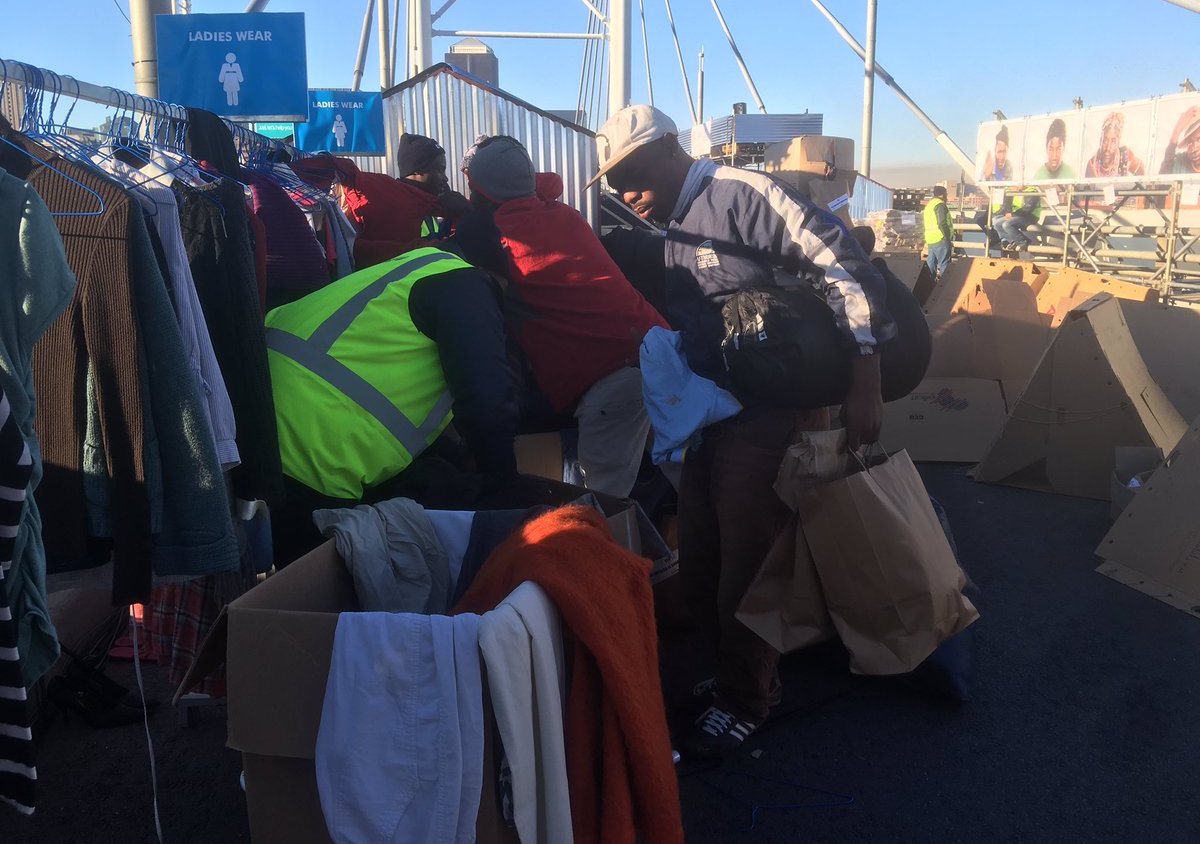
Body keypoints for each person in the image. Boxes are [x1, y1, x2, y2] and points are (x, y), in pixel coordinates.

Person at [591, 105, 895, 758]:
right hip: (715, 416)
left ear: (671, 149)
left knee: (749, 565)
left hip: (774, 412)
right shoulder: (670, 222)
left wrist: (864, 379)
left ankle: (746, 698)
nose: (629, 196)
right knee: (702, 560)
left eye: (635, 176)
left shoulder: (744, 196)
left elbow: (845, 269)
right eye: (617, 186)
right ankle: (735, 671)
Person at [265, 246, 519, 566]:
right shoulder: (471, 287)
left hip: (254, 422)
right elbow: (487, 400)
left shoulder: (419, 267)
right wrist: (507, 491)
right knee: (318, 598)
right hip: (313, 448)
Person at [454, 135, 670, 498]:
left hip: (613, 377)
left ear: (478, 193)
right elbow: (546, 183)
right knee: (679, 474)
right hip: (658, 349)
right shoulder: (560, 212)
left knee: (598, 503)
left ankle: (617, 551)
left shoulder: (489, 234)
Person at [290, 133, 471, 268]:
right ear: (418, 171)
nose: (445, 179)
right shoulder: (384, 189)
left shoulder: (430, 203)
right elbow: (344, 170)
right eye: (440, 170)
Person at [1085, 112, 1145, 178]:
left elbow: (1143, 176)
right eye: (1105, 141)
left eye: (1113, 141)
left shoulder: (1125, 156)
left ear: (1118, 142)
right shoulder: (1092, 165)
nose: (1108, 148)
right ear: (1100, 141)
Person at [992, 186, 1042, 251]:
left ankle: (1023, 242)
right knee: (997, 223)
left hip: (1029, 216)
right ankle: (1012, 241)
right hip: (1017, 215)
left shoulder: (1031, 191)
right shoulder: (1015, 191)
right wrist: (1009, 214)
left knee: (1007, 224)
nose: (1013, 186)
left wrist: (1012, 215)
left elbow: (1027, 209)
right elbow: (1010, 206)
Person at [923, 185, 956, 279]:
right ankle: (943, 287)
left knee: (931, 264)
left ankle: (929, 284)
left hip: (930, 239)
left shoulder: (929, 205)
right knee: (944, 263)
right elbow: (942, 223)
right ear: (943, 194)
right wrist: (947, 237)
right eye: (946, 194)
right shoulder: (940, 205)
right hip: (940, 238)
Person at [1159, 105, 1200, 174]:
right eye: (1190, 142)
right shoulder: (1180, 160)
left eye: (1199, 139)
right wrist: (1176, 133)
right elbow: (1163, 179)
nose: (1194, 148)